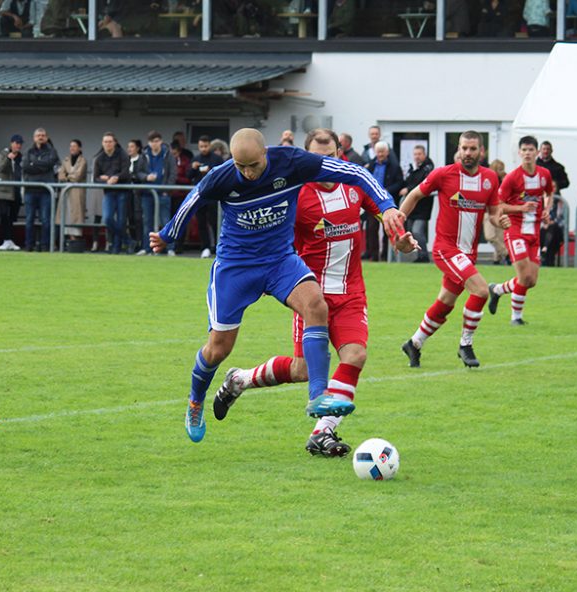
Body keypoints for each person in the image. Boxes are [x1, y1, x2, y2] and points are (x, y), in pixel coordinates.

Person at [148, 128, 407, 443]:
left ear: (265, 155)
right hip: (236, 268)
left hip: (280, 261)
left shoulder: (292, 163)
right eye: (240, 166)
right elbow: (193, 199)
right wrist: (166, 235)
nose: (247, 173)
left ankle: (317, 398)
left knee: (315, 305)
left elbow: (352, 172)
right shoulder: (223, 176)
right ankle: (195, 401)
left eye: (253, 166)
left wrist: (387, 205)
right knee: (219, 348)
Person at [400, 131, 504, 369]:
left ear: (481, 151)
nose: (467, 153)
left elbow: (494, 214)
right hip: (446, 249)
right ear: (458, 149)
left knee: (445, 302)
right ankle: (465, 345)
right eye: (464, 148)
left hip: (468, 253)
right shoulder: (443, 174)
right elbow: (415, 194)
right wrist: (398, 221)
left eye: (472, 149)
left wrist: (501, 221)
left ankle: (414, 343)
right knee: (480, 291)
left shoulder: (489, 178)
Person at [487, 136, 553, 325]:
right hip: (515, 230)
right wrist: (520, 209)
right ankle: (516, 318)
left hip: (535, 232)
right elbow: (498, 205)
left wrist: (547, 209)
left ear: (537, 152)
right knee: (524, 276)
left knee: (531, 280)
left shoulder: (544, 175)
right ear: (519, 153)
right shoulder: (512, 178)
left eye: (531, 150)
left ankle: (498, 289)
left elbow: (549, 192)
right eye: (523, 150)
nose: (527, 153)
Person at [137, 130, 176, 256]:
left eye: (157, 141)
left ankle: (170, 249)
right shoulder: (144, 155)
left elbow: (172, 173)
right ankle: (147, 248)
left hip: (163, 194)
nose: (155, 144)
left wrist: (167, 190)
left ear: (161, 141)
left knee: (166, 222)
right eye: (152, 141)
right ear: (148, 143)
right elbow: (139, 172)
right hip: (147, 194)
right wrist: (146, 177)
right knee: (147, 222)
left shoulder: (168, 154)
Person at [21, 127, 59, 251]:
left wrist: (34, 164)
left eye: (43, 135)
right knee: (29, 220)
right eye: (38, 135)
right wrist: (42, 166)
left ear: (46, 137)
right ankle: (29, 245)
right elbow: (26, 166)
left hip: (46, 191)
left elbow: (50, 164)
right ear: (34, 138)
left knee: (46, 220)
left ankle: (44, 245)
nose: (40, 137)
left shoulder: (52, 151)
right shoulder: (28, 151)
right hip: (30, 190)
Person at [366, 141, 405, 261]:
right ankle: (373, 256)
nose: (380, 154)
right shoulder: (371, 165)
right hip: (372, 201)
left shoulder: (394, 166)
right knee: (371, 229)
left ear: (387, 152)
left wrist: (387, 191)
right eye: (378, 152)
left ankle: (385, 257)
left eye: (382, 151)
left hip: (387, 203)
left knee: (387, 229)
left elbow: (399, 183)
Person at [94, 132, 131, 254]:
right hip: (109, 192)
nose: (108, 144)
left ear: (115, 142)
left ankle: (116, 248)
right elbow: (95, 178)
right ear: (102, 143)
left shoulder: (123, 155)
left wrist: (116, 177)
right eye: (105, 142)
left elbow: (126, 172)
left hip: (122, 191)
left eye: (110, 141)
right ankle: (128, 240)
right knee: (108, 218)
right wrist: (104, 179)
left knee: (121, 221)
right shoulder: (99, 158)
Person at [189, 135, 225, 258]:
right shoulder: (196, 159)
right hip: (199, 195)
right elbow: (189, 176)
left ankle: (217, 246)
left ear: (210, 145)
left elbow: (223, 175)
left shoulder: (217, 159)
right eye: (201, 146)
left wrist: (210, 170)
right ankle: (205, 247)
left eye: (205, 146)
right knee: (201, 222)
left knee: (215, 222)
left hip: (213, 195)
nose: (203, 149)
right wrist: (193, 168)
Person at [401, 144, 434, 263]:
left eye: (419, 154)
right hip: (413, 207)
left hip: (423, 207)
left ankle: (424, 256)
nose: (417, 157)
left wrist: (408, 189)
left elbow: (421, 184)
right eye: (415, 154)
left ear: (424, 155)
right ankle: (419, 256)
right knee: (411, 232)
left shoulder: (428, 168)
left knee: (417, 231)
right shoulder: (412, 168)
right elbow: (408, 181)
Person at [0, 133, 24, 251]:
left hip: (16, 190)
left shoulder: (21, 157)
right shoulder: (4, 153)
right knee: (4, 216)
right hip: (4, 191)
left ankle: (11, 240)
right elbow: (0, 168)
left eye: (20, 144)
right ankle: (5, 240)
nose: (18, 146)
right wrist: (8, 158)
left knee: (13, 217)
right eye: (17, 143)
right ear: (11, 143)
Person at [57, 139, 87, 247]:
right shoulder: (65, 160)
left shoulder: (83, 160)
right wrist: (69, 177)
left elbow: (78, 176)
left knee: (76, 216)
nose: (72, 148)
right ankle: (68, 240)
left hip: (77, 193)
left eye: (74, 146)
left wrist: (67, 176)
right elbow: (60, 175)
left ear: (79, 148)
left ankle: (75, 240)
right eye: (71, 146)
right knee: (66, 214)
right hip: (66, 192)